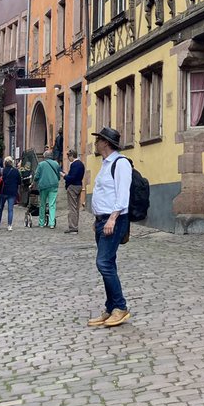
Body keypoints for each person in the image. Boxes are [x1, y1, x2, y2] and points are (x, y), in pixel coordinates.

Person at [86, 127, 132, 328]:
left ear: (105, 142)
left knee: (103, 263)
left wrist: (112, 218)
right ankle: (111, 307)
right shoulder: (105, 164)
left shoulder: (121, 164)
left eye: (98, 140)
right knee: (108, 263)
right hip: (102, 220)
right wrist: (97, 218)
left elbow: (122, 195)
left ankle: (120, 307)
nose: (95, 143)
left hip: (114, 220)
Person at [35, 148, 62, 228]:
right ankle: (51, 223)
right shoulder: (56, 164)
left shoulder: (41, 164)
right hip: (53, 185)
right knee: (52, 204)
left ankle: (41, 222)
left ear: (44, 157)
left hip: (43, 186)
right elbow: (58, 174)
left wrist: (35, 181)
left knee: (42, 204)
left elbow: (37, 176)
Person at [0, 157, 23, 230]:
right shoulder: (16, 171)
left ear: (4, 163)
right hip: (12, 192)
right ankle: (9, 225)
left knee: (0, 208)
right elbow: (19, 182)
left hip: (3, 191)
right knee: (10, 209)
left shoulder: (2, 171)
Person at [63, 150, 85, 234]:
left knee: (72, 207)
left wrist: (64, 176)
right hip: (79, 185)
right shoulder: (81, 164)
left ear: (72, 156)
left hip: (73, 186)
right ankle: (75, 225)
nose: (68, 159)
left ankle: (73, 227)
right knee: (76, 208)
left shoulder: (74, 164)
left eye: (69, 157)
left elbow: (72, 178)